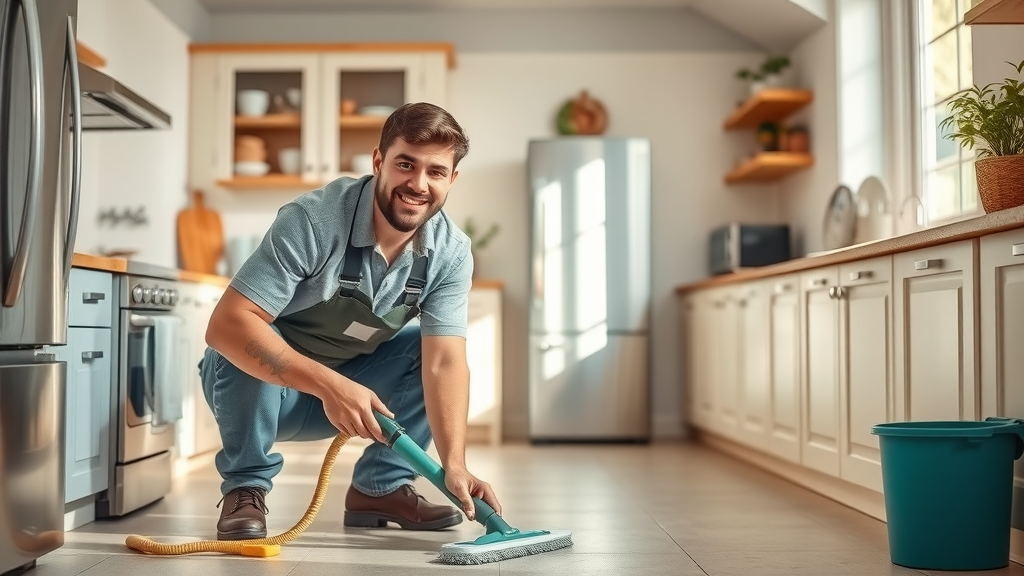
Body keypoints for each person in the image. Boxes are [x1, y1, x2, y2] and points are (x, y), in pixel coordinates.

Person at [198, 102, 502, 541]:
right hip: (260, 396)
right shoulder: (315, 221)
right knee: (252, 333)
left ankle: (380, 489)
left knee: (424, 349)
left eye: (436, 172)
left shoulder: (451, 252)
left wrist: (454, 463)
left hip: (348, 398)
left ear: (451, 180)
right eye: (405, 164)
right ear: (378, 161)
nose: (418, 184)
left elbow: (445, 364)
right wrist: (329, 385)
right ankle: (245, 487)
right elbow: (225, 326)